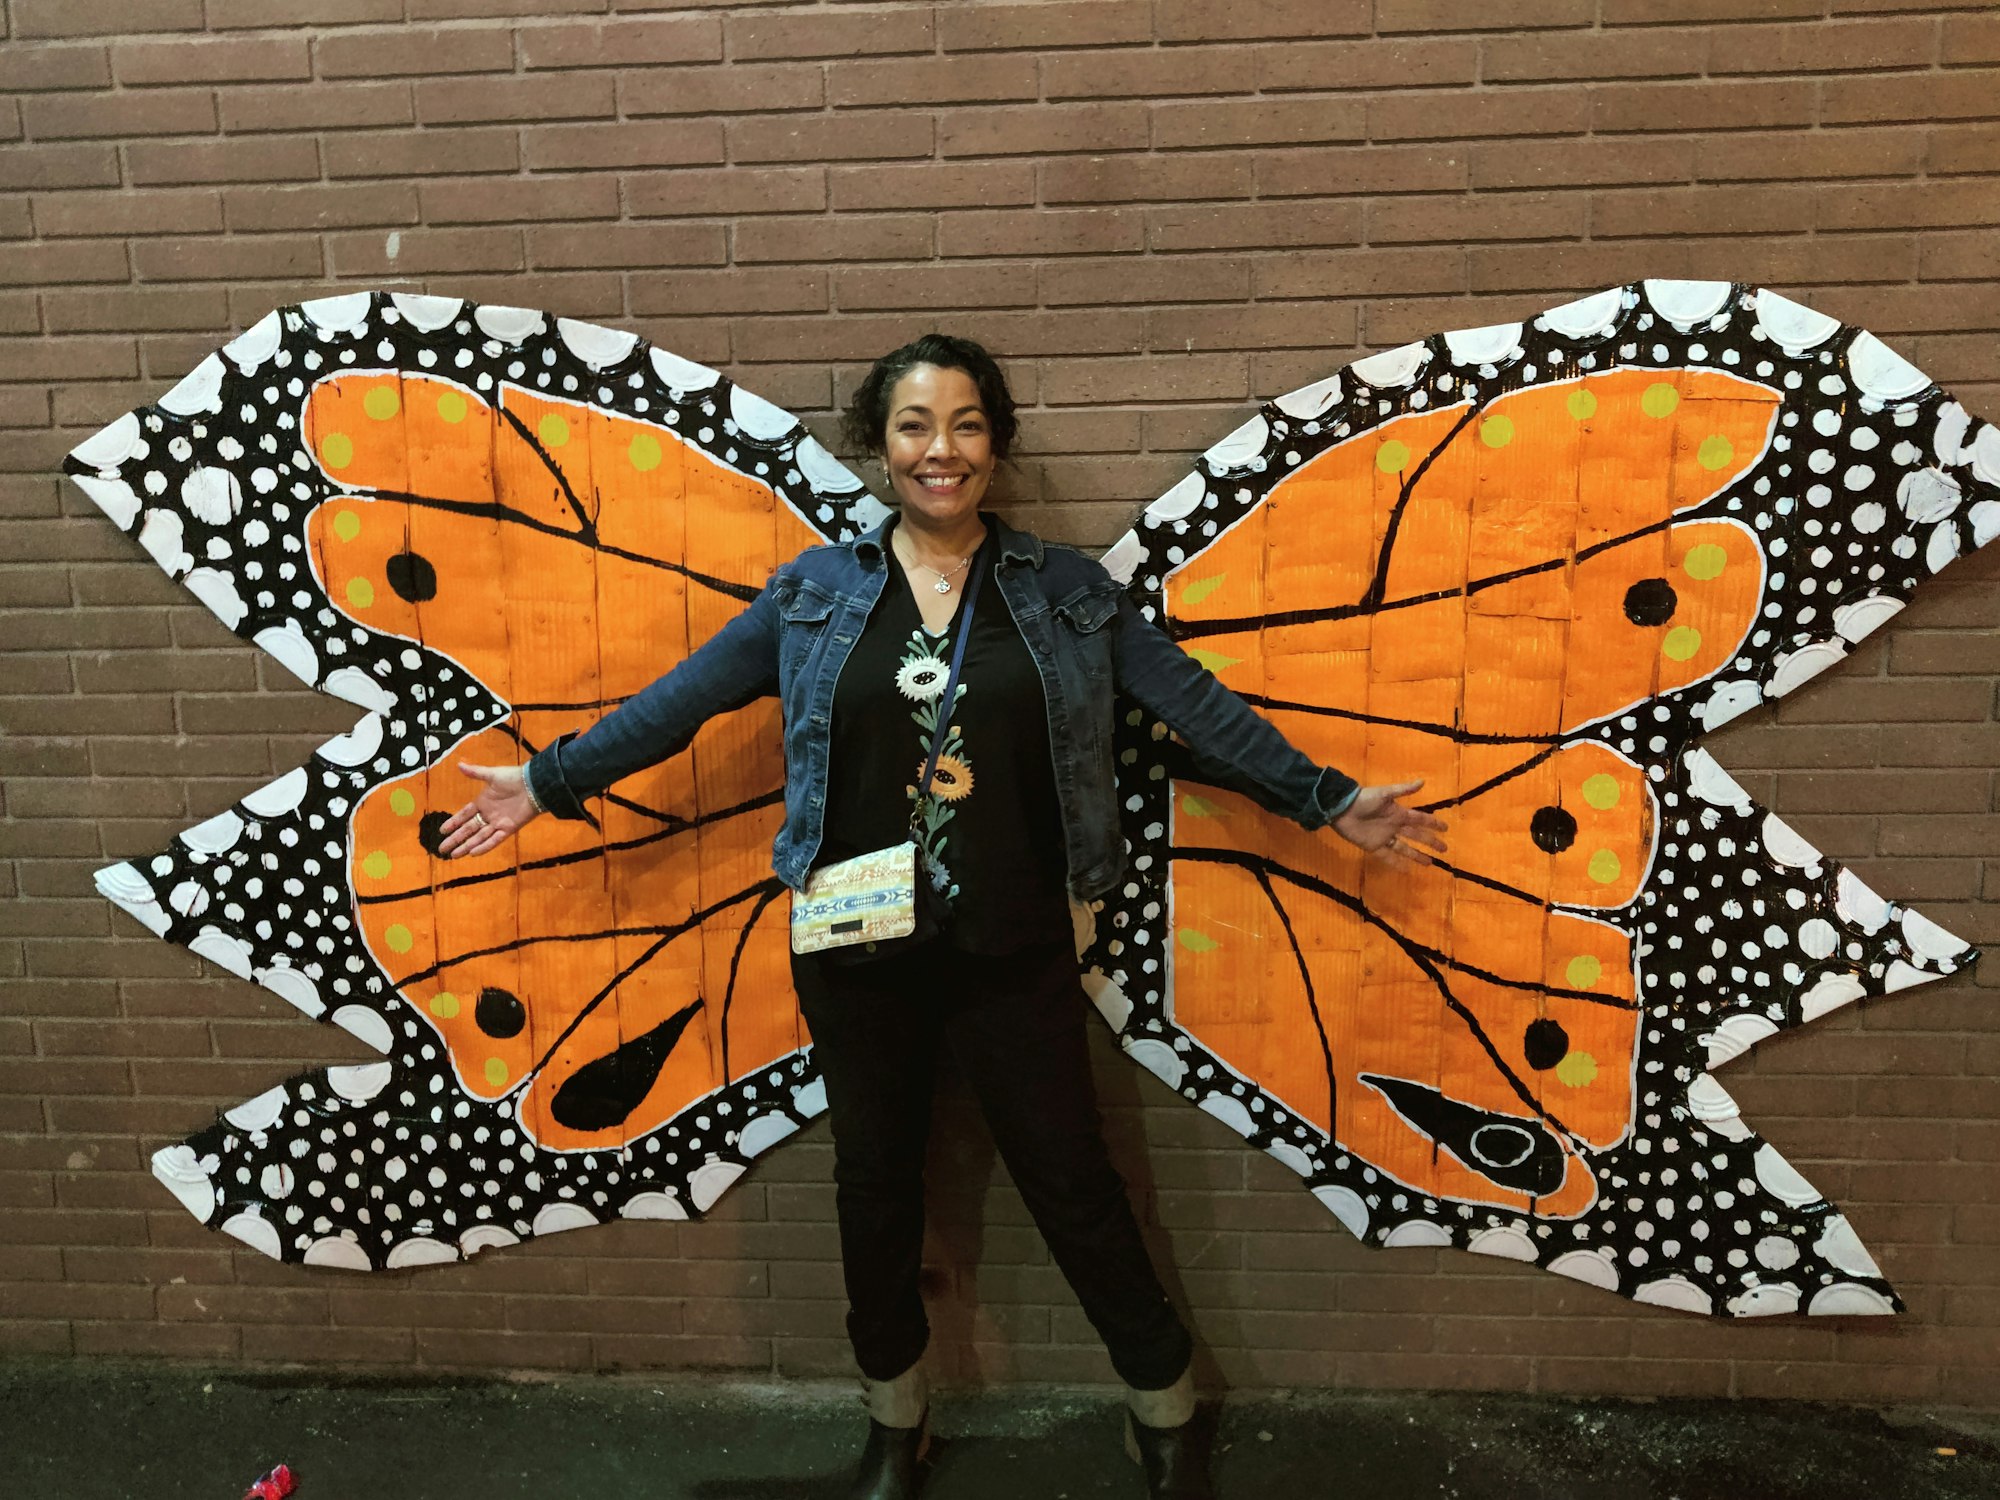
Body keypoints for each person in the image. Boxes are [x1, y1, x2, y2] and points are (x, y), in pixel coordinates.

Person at [438, 334, 1447, 1500]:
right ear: (880, 446)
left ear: (995, 446)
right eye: (915, 426)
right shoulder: (813, 596)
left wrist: (1324, 802)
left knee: (1072, 1181)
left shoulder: (1065, 597)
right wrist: (545, 783)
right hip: (854, 956)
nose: (941, 451)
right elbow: (677, 706)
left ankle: (1162, 1404)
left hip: (1012, 951)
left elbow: (1195, 707)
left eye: (965, 425)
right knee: (873, 1189)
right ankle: (893, 1419)